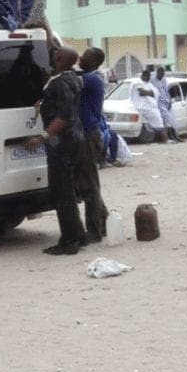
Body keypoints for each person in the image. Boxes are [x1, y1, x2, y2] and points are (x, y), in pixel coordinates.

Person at [26, 46, 87, 255]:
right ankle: (78, 234)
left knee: (62, 193)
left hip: (62, 143)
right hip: (74, 139)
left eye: (55, 53)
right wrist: (43, 104)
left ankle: (69, 241)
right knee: (68, 190)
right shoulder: (71, 78)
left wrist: (42, 137)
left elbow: (63, 116)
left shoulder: (61, 83)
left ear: (59, 58)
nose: (52, 54)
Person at [75, 47, 109, 242]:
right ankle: (104, 223)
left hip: (89, 135)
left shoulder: (91, 79)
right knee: (87, 183)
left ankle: (94, 231)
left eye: (85, 56)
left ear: (94, 62)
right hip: (85, 134)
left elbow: (70, 81)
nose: (81, 57)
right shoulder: (87, 77)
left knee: (90, 186)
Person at [131, 69, 171, 144]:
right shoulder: (137, 82)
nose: (147, 77)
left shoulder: (151, 85)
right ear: (142, 76)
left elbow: (153, 94)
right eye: (145, 76)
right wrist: (150, 93)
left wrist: (148, 92)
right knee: (143, 126)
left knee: (160, 125)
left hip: (151, 109)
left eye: (148, 76)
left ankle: (165, 140)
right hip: (138, 109)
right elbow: (142, 92)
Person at [151, 66, 183, 143]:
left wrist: (170, 101)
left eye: (163, 74)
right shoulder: (152, 80)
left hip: (166, 101)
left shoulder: (164, 80)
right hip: (158, 102)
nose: (161, 75)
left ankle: (176, 136)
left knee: (173, 119)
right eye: (160, 74)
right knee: (167, 119)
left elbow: (166, 90)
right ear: (157, 73)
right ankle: (172, 137)